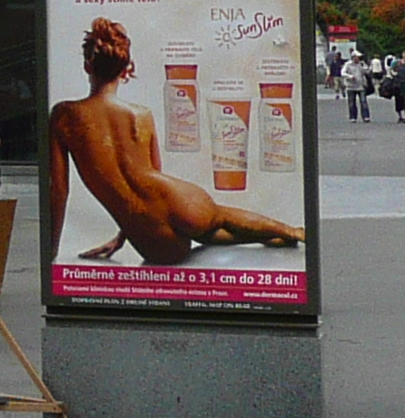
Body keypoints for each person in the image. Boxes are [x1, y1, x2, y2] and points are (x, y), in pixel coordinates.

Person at [47, 19, 309, 264]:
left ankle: (284, 234)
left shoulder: (63, 116)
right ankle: (289, 231)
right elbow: (151, 175)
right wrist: (122, 234)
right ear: (128, 69)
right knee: (217, 218)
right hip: (181, 199)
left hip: (151, 237)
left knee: (206, 236)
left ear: (87, 66)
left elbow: (58, 190)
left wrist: (53, 251)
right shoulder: (141, 115)